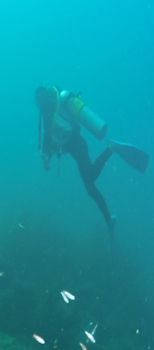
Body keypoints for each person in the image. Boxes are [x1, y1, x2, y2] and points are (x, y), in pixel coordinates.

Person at [35, 86, 148, 239]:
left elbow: (47, 134)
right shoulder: (54, 106)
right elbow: (56, 136)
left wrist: (45, 156)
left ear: (39, 99)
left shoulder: (46, 109)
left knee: (91, 180)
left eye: (37, 101)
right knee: (90, 185)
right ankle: (108, 218)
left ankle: (111, 147)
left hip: (79, 148)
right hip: (79, 146)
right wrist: (49, 153)